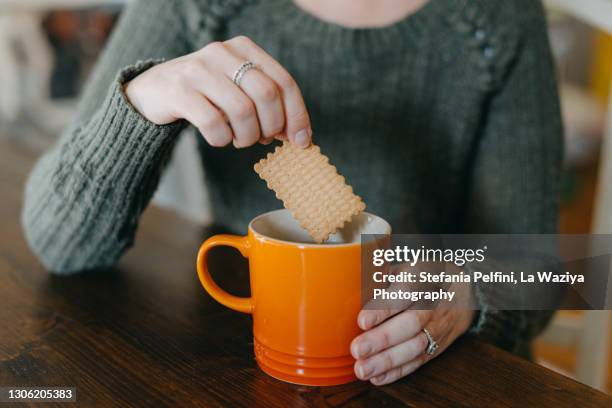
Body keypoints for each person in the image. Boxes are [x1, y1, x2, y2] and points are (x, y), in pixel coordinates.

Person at [21, 0, 563, 385]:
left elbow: (555, 271)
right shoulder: (198, 4)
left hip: (437, 375)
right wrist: (144, 100)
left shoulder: (499, 16)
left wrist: (469, 291)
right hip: (243, 370)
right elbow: (58, 243)